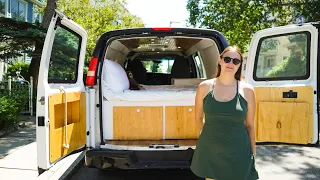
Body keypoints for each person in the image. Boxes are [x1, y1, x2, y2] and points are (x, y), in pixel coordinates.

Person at [190, 46, 259, 180]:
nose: (230, 64)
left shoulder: (248, 90)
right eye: (227, 59)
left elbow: (250, 126)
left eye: (236, 61)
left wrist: (253, 154)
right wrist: (206, 142)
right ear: (220, 61)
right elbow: (198, 118)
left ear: (239, 65)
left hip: (239, 153)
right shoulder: (204, 87)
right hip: (210, 152)